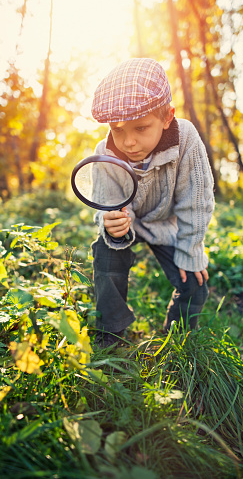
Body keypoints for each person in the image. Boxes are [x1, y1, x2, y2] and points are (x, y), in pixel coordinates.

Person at [89, 58, 215, 348]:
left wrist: (191, 249)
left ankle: (178, 340)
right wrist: (110, 222)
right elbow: (105, 202)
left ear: (167, 117)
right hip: (128, 225)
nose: (128, 142)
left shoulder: (186, 139)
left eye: (141, 128)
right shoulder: (104, 153)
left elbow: (195, 201)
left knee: (194, 284)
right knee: (106, 256)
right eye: (118, 130)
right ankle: (111, 335)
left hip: (167, 226)